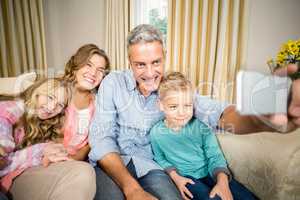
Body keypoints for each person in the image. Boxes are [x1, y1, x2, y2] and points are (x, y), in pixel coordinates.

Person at [89, 24, 299, 200]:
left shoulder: (173, 88)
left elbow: (220, 113)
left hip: (151, 167)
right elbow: (102, 139)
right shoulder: (113, 83)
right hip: (113, 162)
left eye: (156, 62)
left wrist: (257, 117)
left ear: (165, 57)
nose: (150, 73)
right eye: (140, 65)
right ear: (129, 62)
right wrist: (133, 190)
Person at [150, 72, 257, 200]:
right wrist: (175, 177)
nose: (182, 113)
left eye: (187, 106)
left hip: (211, 173)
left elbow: (215, 156)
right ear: (161, 105)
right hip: (187, 179)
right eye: (173, 107)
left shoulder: (202, 128)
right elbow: (160, 158)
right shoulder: (156, 133)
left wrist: (222, 181)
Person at [0, 78, 96, 200]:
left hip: (18, 175)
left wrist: (49, 154)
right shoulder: (8, 110)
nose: (51, 108)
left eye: (60, 104)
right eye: (50, 97)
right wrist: (40, 151)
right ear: (37, 92)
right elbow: (2, 164)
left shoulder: (44, 122)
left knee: (82, 171)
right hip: (8, 180)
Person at [62, 44, 110, 161]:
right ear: (75, 67)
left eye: (100, 70)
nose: (93, 73)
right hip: (48, 159)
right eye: (88, 65)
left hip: (77, 161)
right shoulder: (57, 92)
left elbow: (94, 139)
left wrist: (76, 158)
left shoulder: (99, 102)